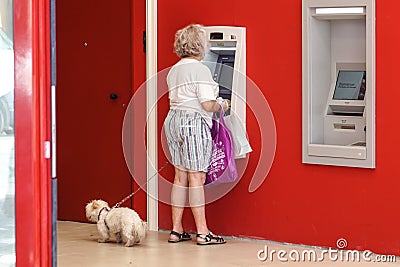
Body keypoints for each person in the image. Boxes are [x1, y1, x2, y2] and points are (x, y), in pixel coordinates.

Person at [163, 24, 230, 245]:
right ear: (199, 45)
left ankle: (176, 230)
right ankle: (203, 232)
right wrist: (223, 104)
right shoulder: (200, 69)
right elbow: (207, 104)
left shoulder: (175, 69)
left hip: (173, 121)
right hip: (193, 123)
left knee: (180, 177)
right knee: (197, 177)